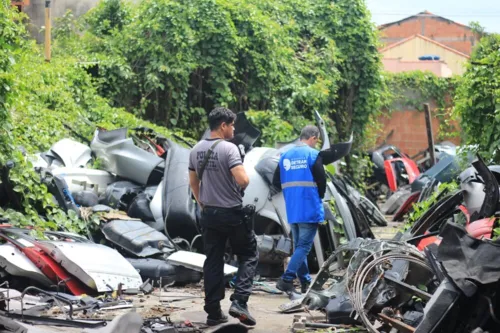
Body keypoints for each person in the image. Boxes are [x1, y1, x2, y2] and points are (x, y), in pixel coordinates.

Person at [188, 107, 258, 327]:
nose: (234, 129)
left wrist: (202, 203)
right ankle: (239, 301)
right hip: (232, 214)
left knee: (213, 260)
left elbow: (193, 182)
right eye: (232, 125)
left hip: (209, 214)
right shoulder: (229, 149)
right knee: (249, 254)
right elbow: (243, 180)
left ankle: (213, 311)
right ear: (223, 126)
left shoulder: (196, 150)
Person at [273, 125, 326, 294]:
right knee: (304, 246)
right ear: (313, 138)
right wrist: (319, 196)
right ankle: (287, 279)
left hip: (292, 208)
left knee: (299, 248)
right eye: (317, 140)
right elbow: (322, 181)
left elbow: (275, 181)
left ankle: (305, 282)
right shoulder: (313, 155)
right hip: (309, 207)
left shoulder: (285, 156)